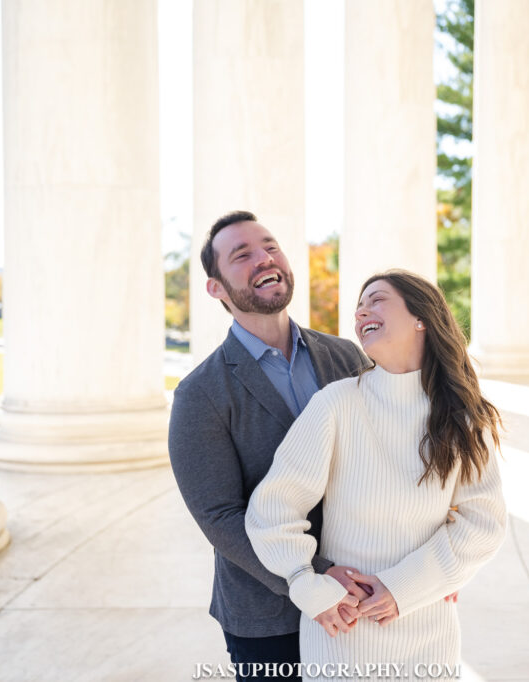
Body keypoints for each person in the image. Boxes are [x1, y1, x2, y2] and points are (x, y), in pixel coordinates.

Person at [245, 269, 508, 682]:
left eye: (377, 299)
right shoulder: (336, 404)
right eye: (359, 306)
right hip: (342, 626)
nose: (361, 312)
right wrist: (306, 583)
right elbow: (273, 508)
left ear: (421, 318)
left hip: (428, 626)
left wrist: (407, 586)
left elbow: (482, 523)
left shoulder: (464, 417)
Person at [168, 211, 371, 681]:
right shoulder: (199, 395)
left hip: (360, 591)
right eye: (242, 255)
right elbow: (220, 516)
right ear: (216, 288)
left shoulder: (347, 356)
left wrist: (423, 564)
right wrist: (312, 578)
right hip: (268, 615)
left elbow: (388, 455)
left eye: (271, 246)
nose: (264, 258)